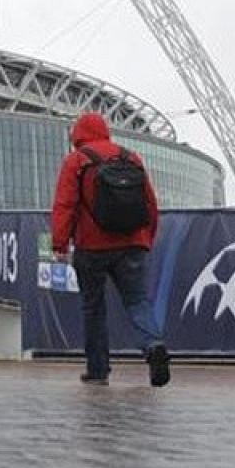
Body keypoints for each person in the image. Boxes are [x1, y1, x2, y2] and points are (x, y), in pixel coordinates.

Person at [51, 111, 171, 387]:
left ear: (77, 134)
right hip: (132, 242)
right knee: (137, 301)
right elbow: (150, 203)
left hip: (92, 246)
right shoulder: (131, 157)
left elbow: (65, 205)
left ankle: (98, 370)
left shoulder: (76, 161)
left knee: (93, 307)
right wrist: (146, 237)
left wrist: (60, 242)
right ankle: (153, 345)